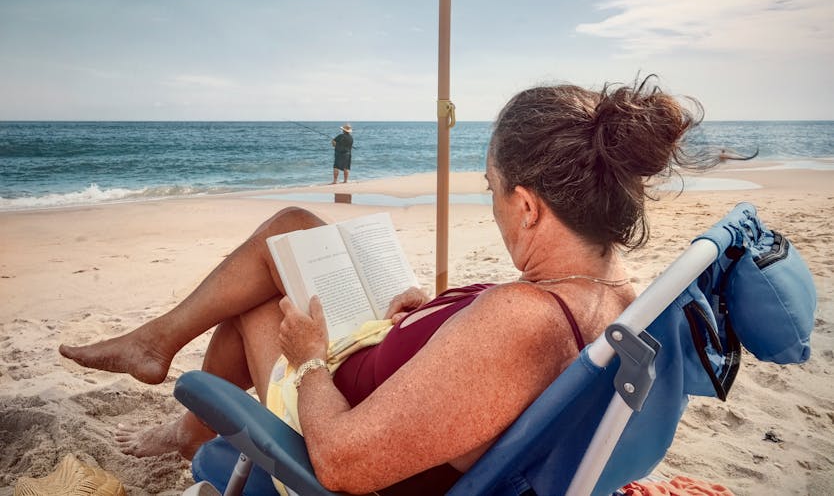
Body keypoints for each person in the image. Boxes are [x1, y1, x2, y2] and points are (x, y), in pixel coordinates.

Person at [59, 77, 709, 495]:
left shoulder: (527, 322)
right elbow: (478, 381)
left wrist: (310, 356)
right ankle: (171, 384)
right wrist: (441, 314)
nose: (491, 207)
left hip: (332, 431)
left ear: (530, 206)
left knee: (258, 299)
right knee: (292, 229)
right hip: (394, 377)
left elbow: (342, 463)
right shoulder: (615, 294)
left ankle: (186, 417)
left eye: (492, 193)